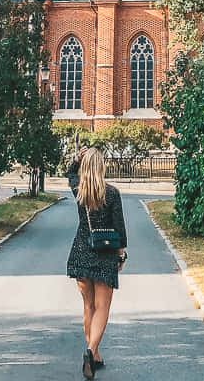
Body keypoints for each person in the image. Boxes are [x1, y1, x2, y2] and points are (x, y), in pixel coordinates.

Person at [67, 147, 128, 378]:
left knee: (88, 306)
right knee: (103, 307)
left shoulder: (79, 191)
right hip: (105, 255)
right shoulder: (112, 194)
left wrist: (76, 160)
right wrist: (121, 255)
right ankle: (91, 352)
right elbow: (119, 229)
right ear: (102, 166)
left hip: (81, 252)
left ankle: (95, 355)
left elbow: (70, 174)